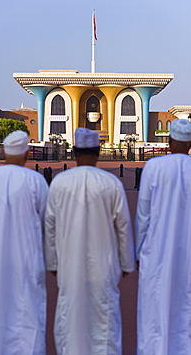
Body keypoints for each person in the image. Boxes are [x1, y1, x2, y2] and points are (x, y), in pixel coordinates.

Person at [45, 127, 135, 355]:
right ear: (98, 151)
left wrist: (53, 262)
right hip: (104, 264)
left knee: (70, 316)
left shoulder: (59, 183)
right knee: (104, 318)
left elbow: (50, 226)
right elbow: (123, 226)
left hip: (69, 264)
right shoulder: (110, 183)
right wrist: (126, 263)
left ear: (74, 152)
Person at [135, 119, 191, 355]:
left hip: (156, 250)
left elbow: (143, 215)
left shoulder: (153, 167)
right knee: (187, 306)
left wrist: (139, 251)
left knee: (154, 306)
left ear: (169, 140)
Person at [0, 131, 48, 355]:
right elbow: (47, 219)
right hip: (27, 256)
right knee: (28, 306)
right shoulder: (35, 180)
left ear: (4, 152)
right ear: (27, 153)